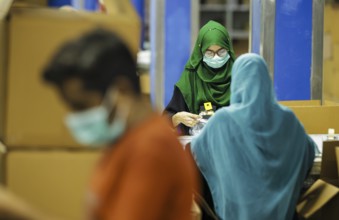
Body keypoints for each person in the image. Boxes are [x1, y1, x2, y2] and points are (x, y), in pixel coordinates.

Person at [42, 29, 197, 220]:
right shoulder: (126, 139)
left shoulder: (152, 147)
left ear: (121, 91)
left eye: (81, 106)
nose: (75, 118)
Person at [190, 53, 316, 220]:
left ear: (237, 83)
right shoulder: (288, 119)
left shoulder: (223, 121)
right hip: (282, 213)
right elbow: (309, 152)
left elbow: (197, 150)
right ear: (267, 82)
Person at [164, 20, 236, 135]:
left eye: (221, 51)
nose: (216, 57)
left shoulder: (239, 77)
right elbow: (164, 121)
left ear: (229, 49)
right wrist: (177, 118)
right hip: (196, 148)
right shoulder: (190, 79)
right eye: (209, 53)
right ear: (200, 52)